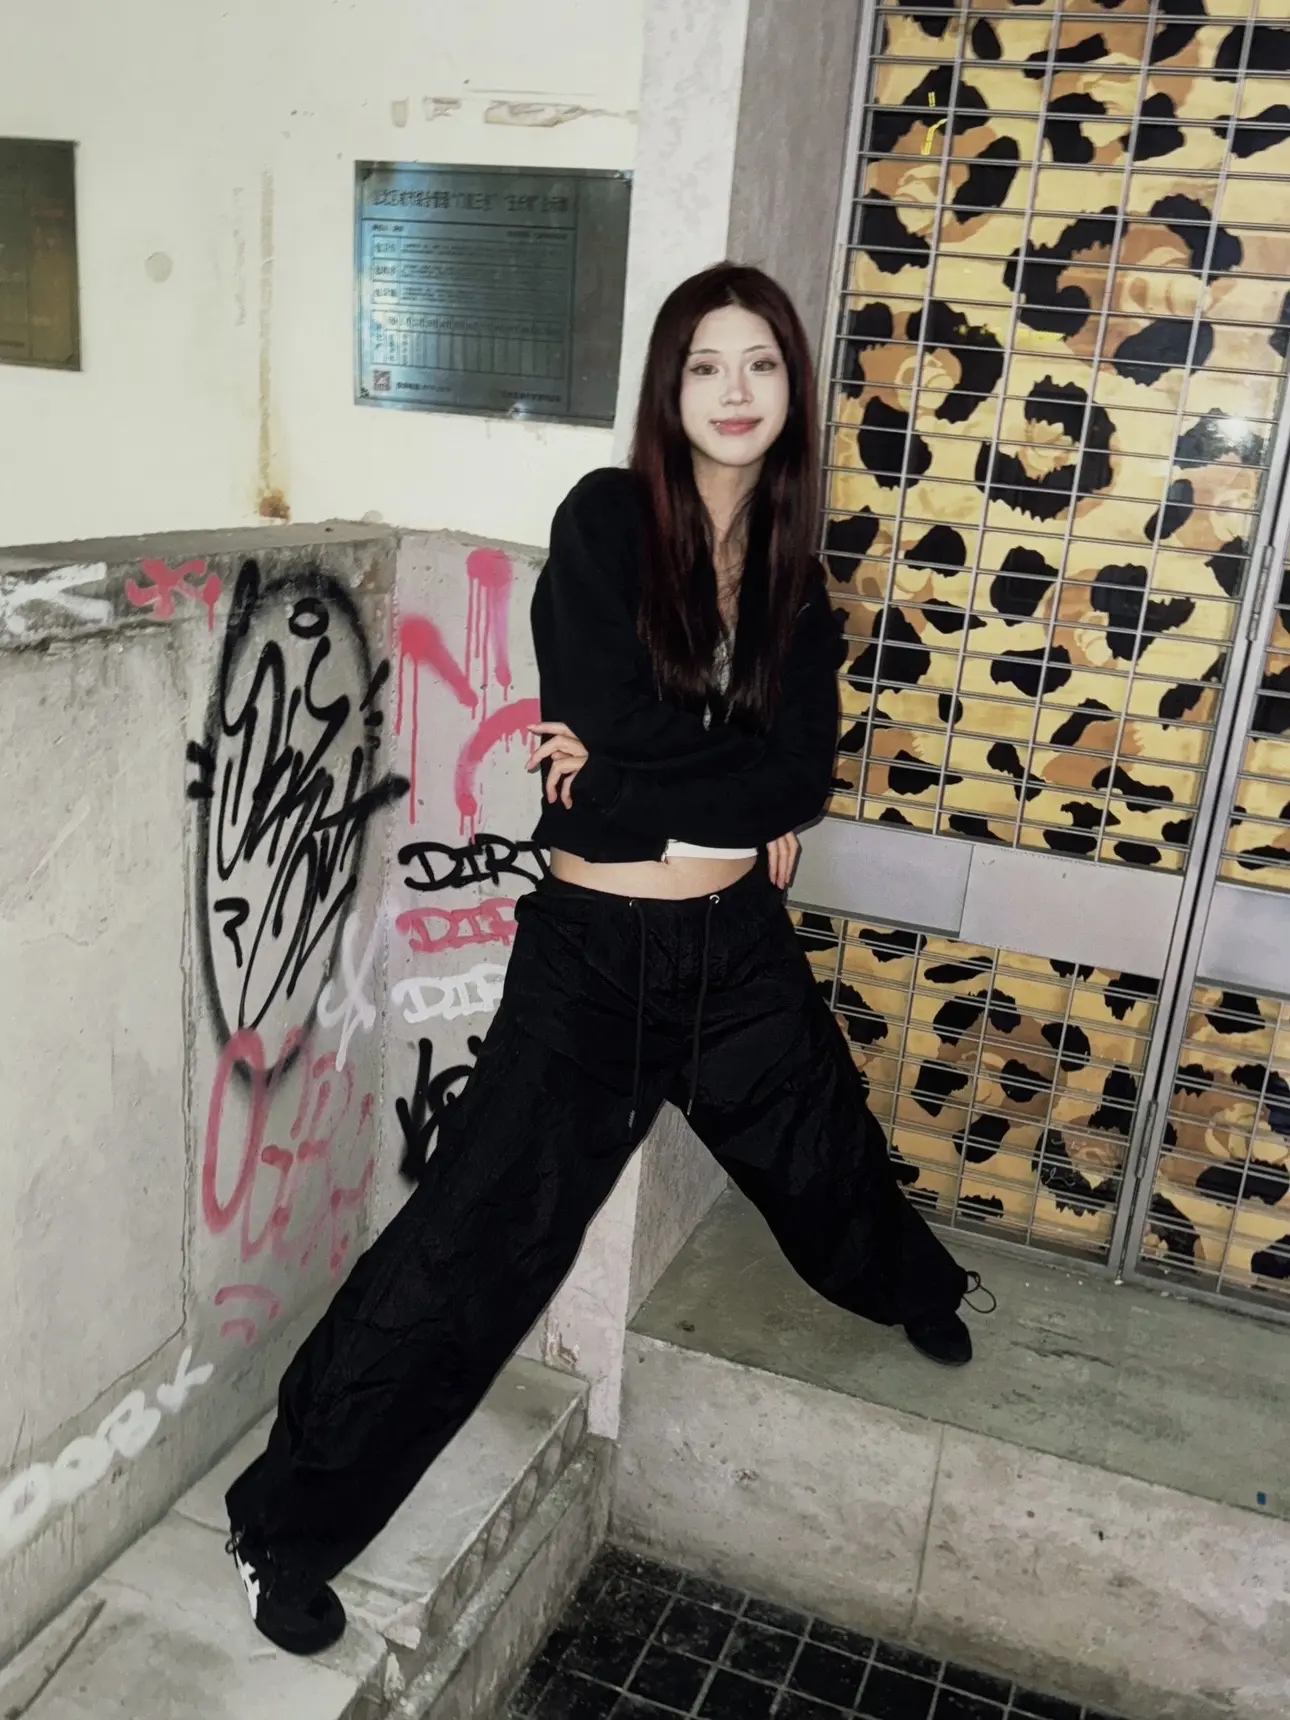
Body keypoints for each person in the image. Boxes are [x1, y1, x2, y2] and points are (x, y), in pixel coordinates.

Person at [223, 263, 986, 1657]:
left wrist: (660, 788)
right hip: (593, 960)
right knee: (476, 1243)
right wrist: (714, 789)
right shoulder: (605, 521)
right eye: (706, 365)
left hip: (733, 946)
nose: (735, 391)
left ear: (792, 388)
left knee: (818, 1141)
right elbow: (597, 737)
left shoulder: (795, 580)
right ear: (668, 387)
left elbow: (786, 774)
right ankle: (284, 1528)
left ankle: (916, 1291)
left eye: (761, 365)